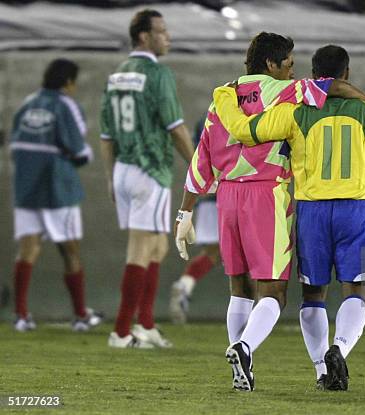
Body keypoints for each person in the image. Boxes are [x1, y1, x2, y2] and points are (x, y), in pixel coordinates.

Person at [174, 33, 365, 391]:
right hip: (267, 195)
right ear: (271, 64)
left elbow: (201, 158)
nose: (292, 72)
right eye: (289, 64)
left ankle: (242, 368)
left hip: (227, 198)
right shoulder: (281, 90)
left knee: (239, 290)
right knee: (274, 292)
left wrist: (184, 213)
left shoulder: (223, 97)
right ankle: (245, 348)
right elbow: (334, 88)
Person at [211, 45, 365, 391]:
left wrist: (226, 97)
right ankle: (339, 350)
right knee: (356, 289)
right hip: (356, 209)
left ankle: (321, 369)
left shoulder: (294, 112)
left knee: (313, 295)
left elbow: (249, 131)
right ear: (346, 75)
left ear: (315, 76)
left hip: (312, 210)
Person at [100, 9, 194, 348]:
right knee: (141, 249)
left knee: (158, 245)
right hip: (149, 170)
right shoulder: (158, 74)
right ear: (144, 36)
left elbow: (106, 134)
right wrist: (201, 166)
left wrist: (111, 178)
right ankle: (122, 332)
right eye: (162, 31)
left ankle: (147, 324)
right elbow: (176, 129)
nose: (168, 37)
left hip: (124, 169)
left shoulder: (117, 75)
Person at [10, 58, 102, 332]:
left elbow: (16, 145)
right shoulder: (65, 105)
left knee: (27, 248)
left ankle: (21, 316)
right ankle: (80, 316)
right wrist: (83, 156)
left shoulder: (27, 104)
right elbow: (79, 147)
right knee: (70, 250)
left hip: (26, 187)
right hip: (57, 187)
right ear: (68, 82)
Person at [169, 119, 221, 324]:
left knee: (215, 253)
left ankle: (185, 284)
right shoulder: (239, 114)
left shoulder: (204, 121)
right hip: (230, 196)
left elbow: (197, 157)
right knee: (245, 256)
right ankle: (259, 309)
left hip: (205, 196)